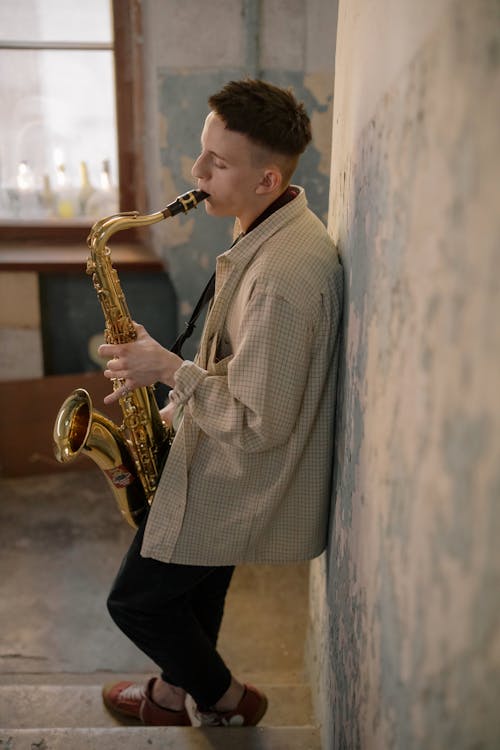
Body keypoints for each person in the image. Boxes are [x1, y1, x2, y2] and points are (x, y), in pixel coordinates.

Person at [98, 78, 343, 728]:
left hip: (236, 474)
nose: (197, 171)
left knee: (138, 604)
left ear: (266, 179)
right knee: (196, 593)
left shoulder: (282, 278)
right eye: (202, 153)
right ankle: (179, 694)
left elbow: (259, 422)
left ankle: (226, 699)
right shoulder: (274, 224)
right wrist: (170, 379)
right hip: (222, 460)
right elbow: (245, 368)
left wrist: (172, 372)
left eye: (218, 162)